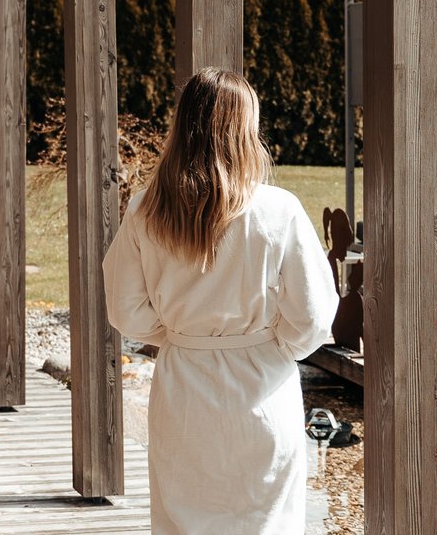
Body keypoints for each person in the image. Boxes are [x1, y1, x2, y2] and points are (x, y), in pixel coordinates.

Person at [103, 67, 338, 534]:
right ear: (244, 131)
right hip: (263, 390)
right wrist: (273, 347)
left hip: (184, 391)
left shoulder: (147, 209)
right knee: (266, 522)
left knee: (183, 518)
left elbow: (124, 308)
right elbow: (313, 314)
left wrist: (178, 334)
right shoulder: (279, 209)